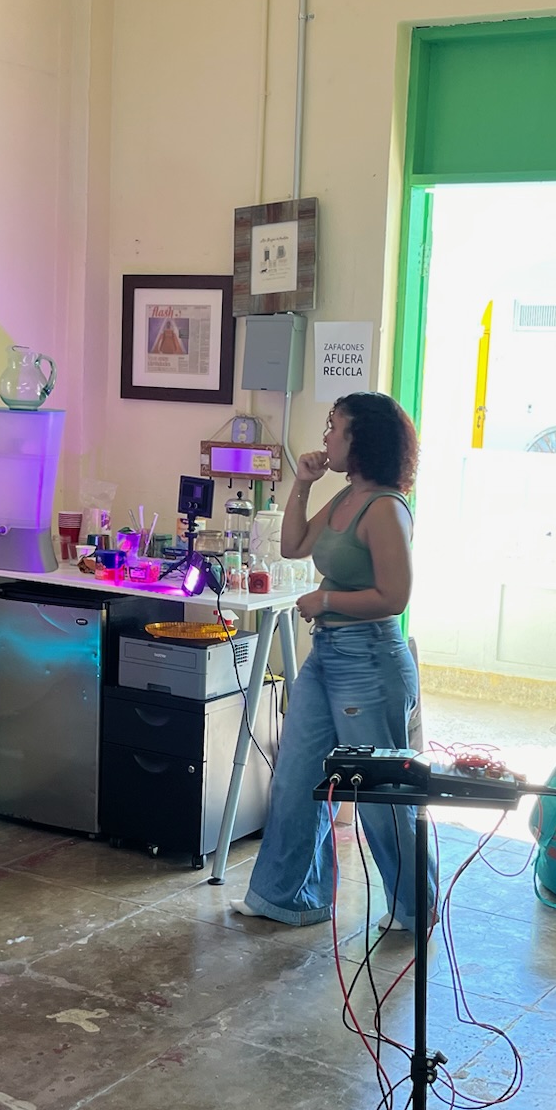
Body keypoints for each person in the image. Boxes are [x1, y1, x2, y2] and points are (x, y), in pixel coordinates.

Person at [237, 392, 421, 930]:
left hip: (370, 661)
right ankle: (287, 898)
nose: (326, 438)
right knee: (297, 778)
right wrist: (302, 483)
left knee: (378, 796)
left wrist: (327, 600)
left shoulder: (384, 508)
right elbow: (293, 545)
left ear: (360, 440)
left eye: (334, 428)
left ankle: (414, 907)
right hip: (327, 655)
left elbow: (395, 597)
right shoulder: (346, 496)